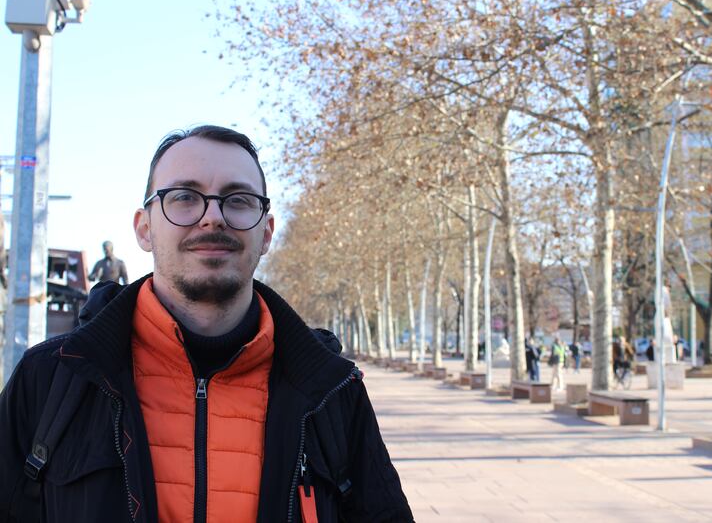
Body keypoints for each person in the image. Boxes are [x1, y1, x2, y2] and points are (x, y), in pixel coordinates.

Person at [0, 126, 413, 522]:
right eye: (184, 196)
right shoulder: (50, 379)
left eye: (238, 199)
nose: (213, 217)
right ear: (144, 228)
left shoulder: (332, 391)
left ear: (266, 233)